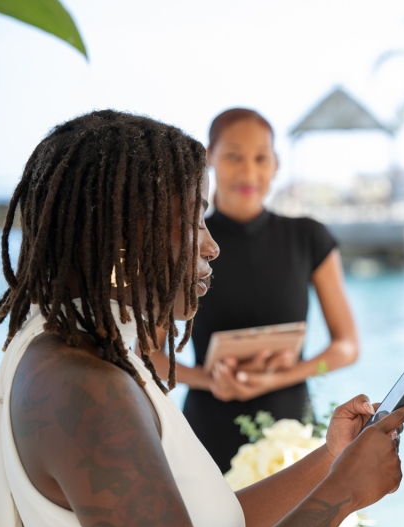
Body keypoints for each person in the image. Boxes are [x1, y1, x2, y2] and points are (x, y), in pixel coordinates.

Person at [0, 110, 404, 527]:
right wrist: (344, 494)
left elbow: (215, 523)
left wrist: (331, 459)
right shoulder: (88, 389)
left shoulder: (78, 349)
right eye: (193, 221)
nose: (212, 247)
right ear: (125, 237)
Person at [143, 108, 359, 473]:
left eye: (261, 158)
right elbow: (149, 355)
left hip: (293, 436)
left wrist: (286, 375)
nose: (248, 171)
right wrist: (209, 380)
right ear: (210, 158)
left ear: (276, 164)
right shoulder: (187, 242)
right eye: (233, 156)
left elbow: (346, 348)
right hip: (206, 436)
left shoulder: (309, 237)